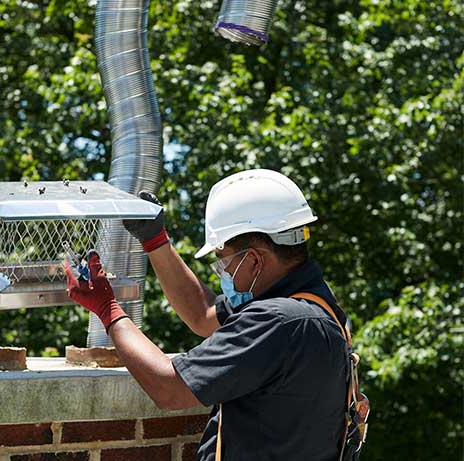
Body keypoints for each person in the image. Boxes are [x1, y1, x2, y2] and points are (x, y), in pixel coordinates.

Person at [63, 169, 349, 461]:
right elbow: (204, 314)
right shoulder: (316, 305)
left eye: (223, 261)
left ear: (254, 259)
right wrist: (154, 241)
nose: (223, 272)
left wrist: (107, 308)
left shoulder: (276, 321)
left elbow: (169, 388)